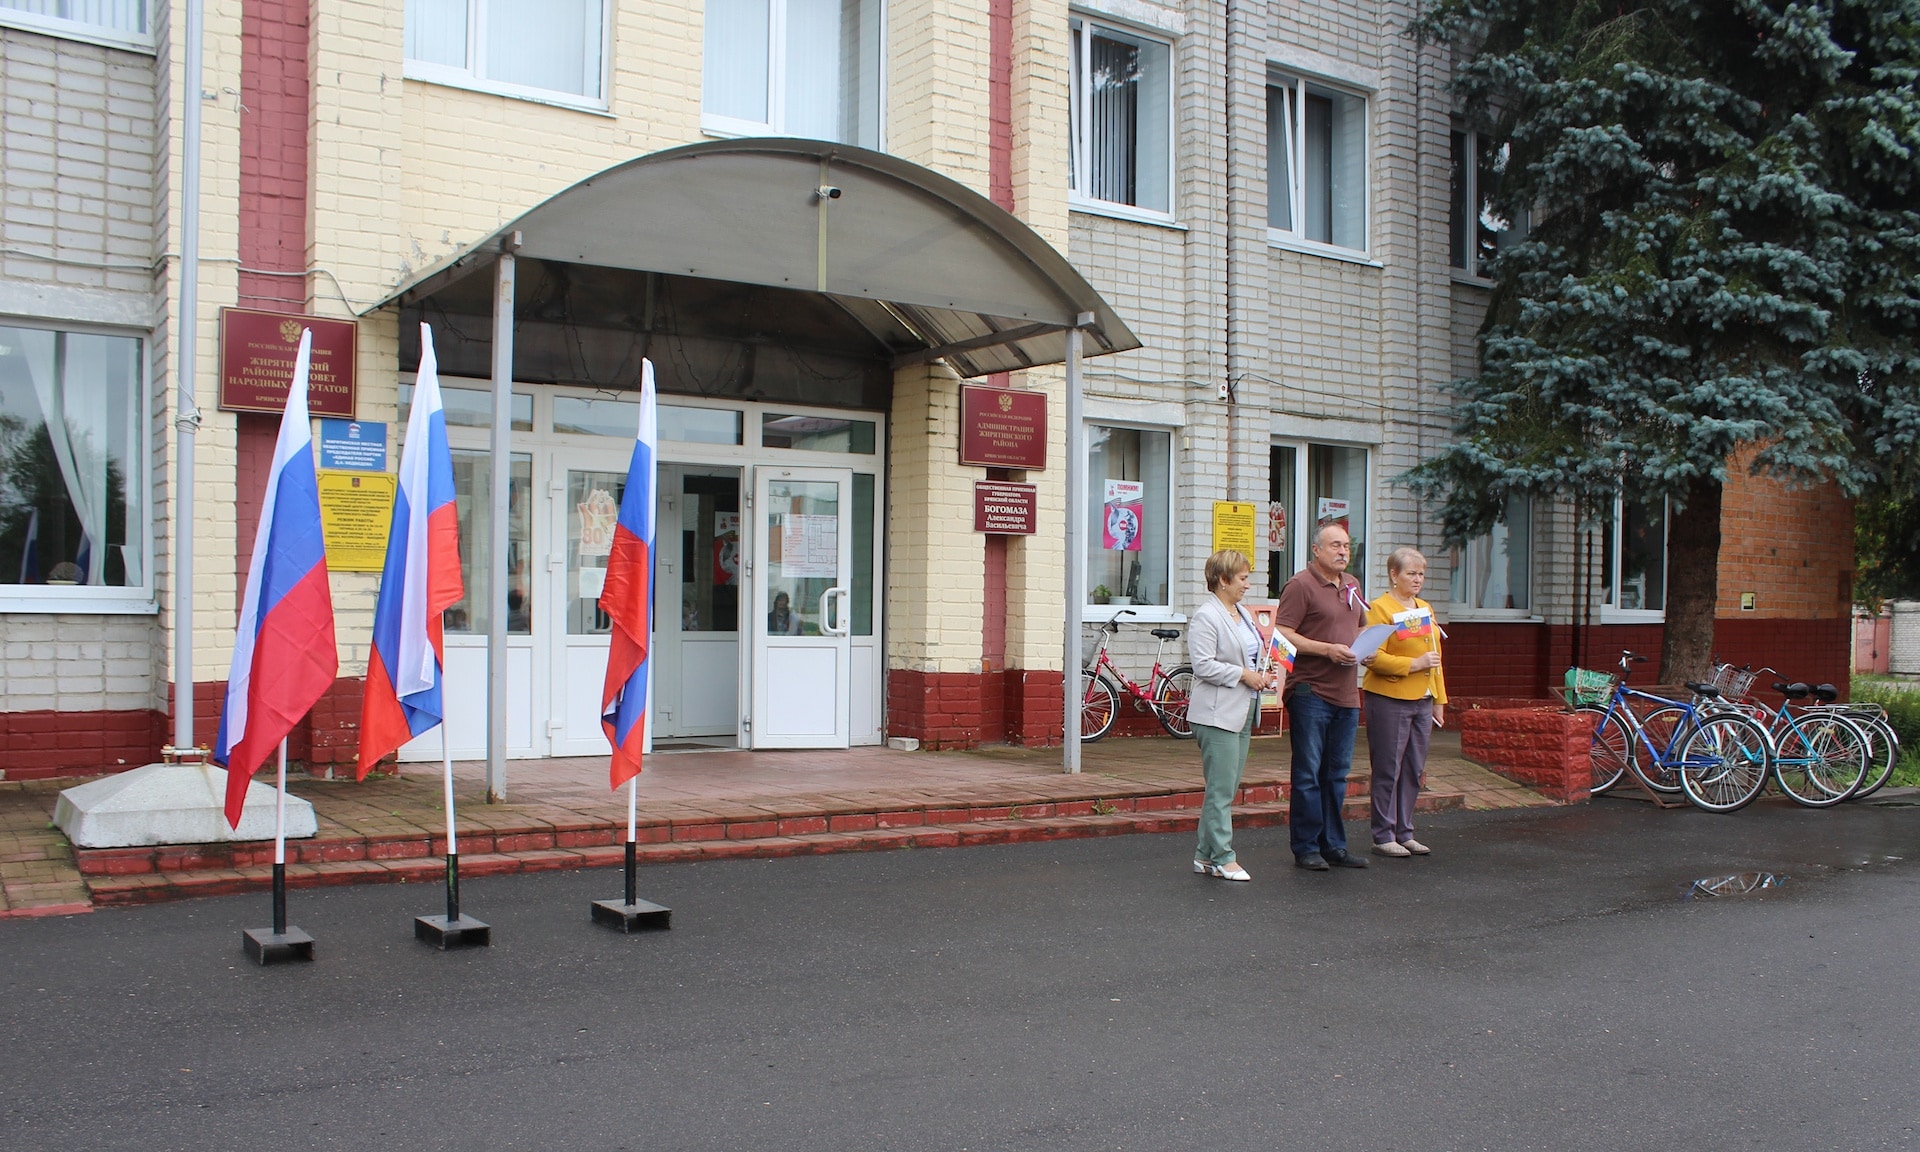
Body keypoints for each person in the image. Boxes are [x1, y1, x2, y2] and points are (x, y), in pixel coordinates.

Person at [1275, 523, 1369, 871]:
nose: (1343, 551)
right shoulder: (1300, 585)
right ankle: (1306, 847)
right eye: (1335, 545)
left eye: (1346, 546)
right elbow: (1282, 633)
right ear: (1316, 550)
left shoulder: (1352, 584)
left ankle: (1333, 845)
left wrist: (1365, 648)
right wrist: (1326, 649)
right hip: (1310, 690)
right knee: (1308, 774)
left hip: (1346, 694)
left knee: (1337, 774)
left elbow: (1360, 625)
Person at [1186, 549, 1282, 882]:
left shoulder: (1241, 612)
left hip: (1243, 709)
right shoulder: (1206, 616)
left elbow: (1250, 655)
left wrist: (1261, 672)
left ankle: (1204, 855)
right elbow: (1203, 666)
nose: (1247, 584)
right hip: (1216, 714)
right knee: (1222, 790)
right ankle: (1224, 857)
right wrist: (1243, 674)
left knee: (1224, 787)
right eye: (1242, 578)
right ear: (1223, 580)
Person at [1362, 547, 1447, 857]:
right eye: (1411, 573)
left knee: (1414, 767)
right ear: (1394, 575)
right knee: (1388, 767)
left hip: (1423, 698)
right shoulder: (1380, 608)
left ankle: (1405, 831)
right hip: (1390, 697)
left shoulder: (1425, 608)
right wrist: (1412, 665)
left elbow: (1436, 658)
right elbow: (1372, 656)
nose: (1418, 579)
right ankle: (1383, 834)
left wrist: (1439, 698)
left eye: (1421, 574)